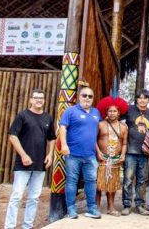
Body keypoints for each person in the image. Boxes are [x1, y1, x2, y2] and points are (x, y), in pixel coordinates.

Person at [4, 88, 56, 229]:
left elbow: (52, 138)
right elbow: (12, 136)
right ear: (31, 100)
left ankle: (27, 226)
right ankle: (9, 226)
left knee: (34, 198)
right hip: (23, 164)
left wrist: (50, 154)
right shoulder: (23, 116)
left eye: (41, 98)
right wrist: (23, 155)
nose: (39, 100)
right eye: (36, 97)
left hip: (40, 164)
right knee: (16, 196)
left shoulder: (48, 118)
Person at [59, 84, 102, 219]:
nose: (87, 98)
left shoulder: (96, 113)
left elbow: (94, 134)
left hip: (90, 155)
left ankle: (91, 208)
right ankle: (71, 209)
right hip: (73, 154)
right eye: (84, 95)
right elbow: (62, 128)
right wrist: (64, 145)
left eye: (90, 96)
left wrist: (98, 150)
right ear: (79, 97)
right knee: (72, 181)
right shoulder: (70, 111)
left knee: (91, 181)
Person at [122, 89, 149, 216]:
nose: (142, 100)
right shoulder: (129, 109)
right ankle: (126, 205)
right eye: (140, 98)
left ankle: (140, 205)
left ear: (148, 100)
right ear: (136, 99)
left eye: (145, 98)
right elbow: (116, 117)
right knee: (128, 179)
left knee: (142, 180)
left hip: (144, 151)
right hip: (130, 150)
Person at [94, 95, 129, 216]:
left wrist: (123, 155)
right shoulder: (100, 124)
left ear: (119, 113)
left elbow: (124, 143)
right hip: (102, 158)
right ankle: (96, 207)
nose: (112, 113)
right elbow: (93, 140)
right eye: (110, 111)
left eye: (115, 111)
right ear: (106, 112)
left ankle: (111, 207)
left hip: (115, 159)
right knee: (99, 184)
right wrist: (98, 153)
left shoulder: (123, 127)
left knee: (112, 184)